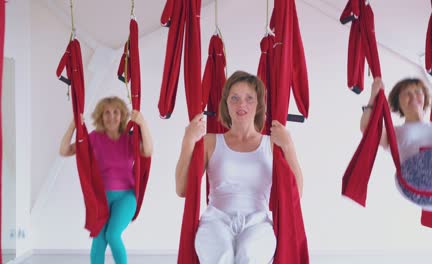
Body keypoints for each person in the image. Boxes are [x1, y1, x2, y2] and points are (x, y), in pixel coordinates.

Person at [175, 70, 303, 263]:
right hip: (216, 220)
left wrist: (289, 146)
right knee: (221, 255)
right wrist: (188, 142)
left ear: (259, 104)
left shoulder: (272, 143)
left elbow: (297, 193)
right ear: (226, 103)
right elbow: (182, 188)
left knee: (248, 254)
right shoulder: (210, 142)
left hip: (257, 222)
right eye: (234, 98)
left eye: (249, 98)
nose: (241, 104)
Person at [360, 74, 432, 225]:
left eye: (418, 91)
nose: (414, 96)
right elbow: (367, 129)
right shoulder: (396, 132)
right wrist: (374, 95)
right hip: (415, 183)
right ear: (398, 103)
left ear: (425, 98)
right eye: (406, 93)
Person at [59, 96, 153, 264]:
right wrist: (73, 125)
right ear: (100, 117)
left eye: (116, 112)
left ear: (123, 115)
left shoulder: (129, 138)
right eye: (106, 113)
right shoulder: (94, 138)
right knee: (99, 239)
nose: (111, 117)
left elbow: (147, 150)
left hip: (126, 197)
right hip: (101, 198)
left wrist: (142, 123)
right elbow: (64, 150)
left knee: (112, 234)